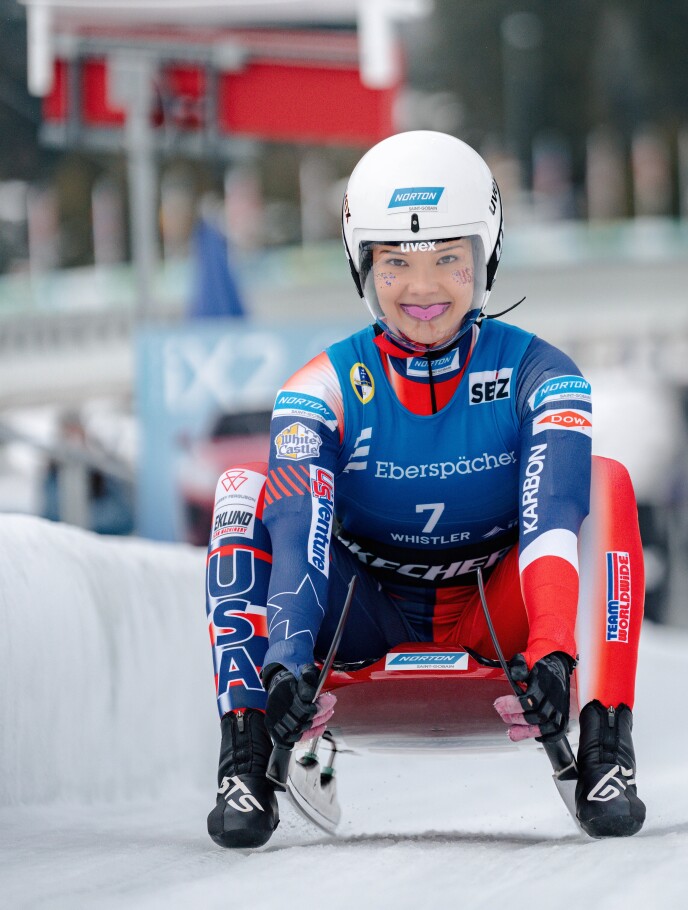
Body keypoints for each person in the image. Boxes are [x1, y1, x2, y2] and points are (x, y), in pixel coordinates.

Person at [204, 131, 646, 848]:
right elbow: (298, 527)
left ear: (485, 257)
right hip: (362, 612)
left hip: (497, 615)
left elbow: (553, 519)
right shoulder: (318, 387)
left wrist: (554, 650)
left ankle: (604, 747)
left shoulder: (546, 373)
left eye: (448, 258)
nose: (422, 289)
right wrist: (287, 661)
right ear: (362, 267)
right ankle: (249, 756)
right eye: (395, 263)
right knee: (240, 490)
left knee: (605, 478)